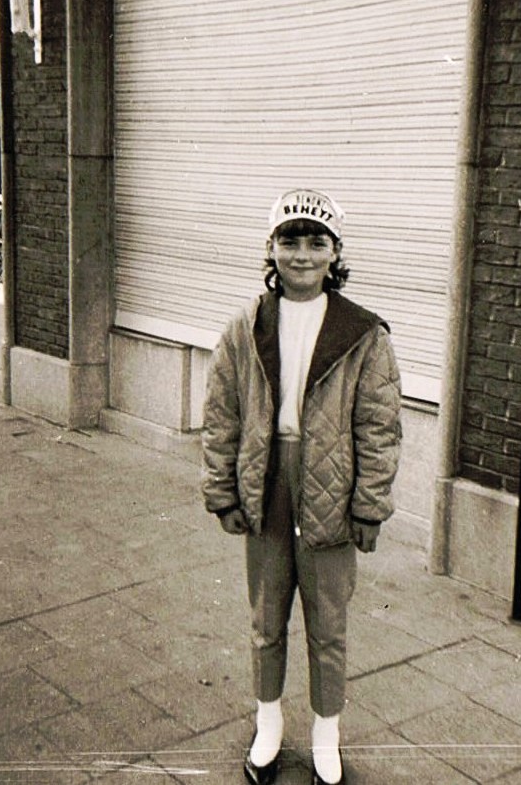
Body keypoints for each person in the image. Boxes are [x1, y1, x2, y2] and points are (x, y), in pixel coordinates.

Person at [201, 189, 402, 785]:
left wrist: (369, 505)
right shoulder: (245, 327)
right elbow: (221, 415)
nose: (303, 255)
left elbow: (379, 425)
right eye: (290, 241)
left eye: (317, 242)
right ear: (272, 249)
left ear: (335, 253)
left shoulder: (363, 333)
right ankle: (268, 726)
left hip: (331, 490)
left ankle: (325, 736)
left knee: (327, 623)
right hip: (267, 483)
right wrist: (223, 491)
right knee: (267, 618)